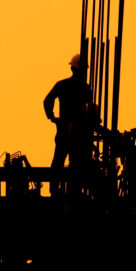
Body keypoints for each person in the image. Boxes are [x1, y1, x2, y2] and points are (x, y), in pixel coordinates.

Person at [43, 54, 93, 195]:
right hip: (79, 132)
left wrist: (52, 117)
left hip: (66, 129)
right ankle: (72, 192)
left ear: (72, 68)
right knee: (75, 164)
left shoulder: (63, 85)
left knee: (59, 162)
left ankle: (55, 191)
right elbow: (90, 109)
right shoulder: (85, 88)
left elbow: (47, 101)